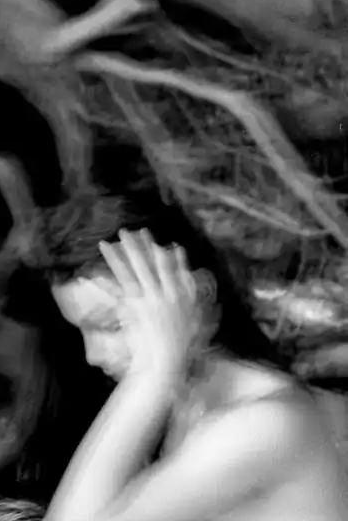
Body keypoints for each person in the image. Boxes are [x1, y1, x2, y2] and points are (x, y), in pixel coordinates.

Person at [36, 191, 348, 521]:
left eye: (112, 325)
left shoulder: (259, 426)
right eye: (82, 332)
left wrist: (151, 374)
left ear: (197, 294)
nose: (92, 355)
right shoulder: (188, 411)